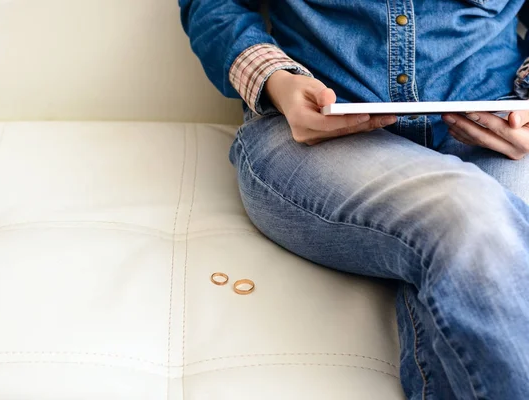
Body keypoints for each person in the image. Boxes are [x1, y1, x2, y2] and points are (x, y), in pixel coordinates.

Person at [179, 1, 529, 398]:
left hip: (496, 130)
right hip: (310, 140)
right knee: (472, 214)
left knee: (492, 253)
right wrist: (276, 79)